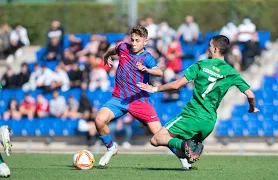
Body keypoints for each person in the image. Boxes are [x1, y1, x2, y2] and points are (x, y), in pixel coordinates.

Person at [137, 35, 260, 164]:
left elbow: (176, 85)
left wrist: (154, 89)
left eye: (210, 46)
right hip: (209, 122)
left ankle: (185, 145)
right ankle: (186, 158)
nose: (208, 48)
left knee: (156, 139)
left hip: (193, 115)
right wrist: (252, 108)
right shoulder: (231, 72)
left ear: (216, 49)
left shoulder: (202, 64)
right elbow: (251, 95)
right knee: (184, 150)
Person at [96, 25, 191, 169]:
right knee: (99, 120)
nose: (134, 43)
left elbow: (159, 72)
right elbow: (112, 50)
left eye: (137, 40)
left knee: (160, 135)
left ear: (145, 42)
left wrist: (146, 69)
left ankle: (183, 158)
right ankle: (111, 148)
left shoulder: (147, 57)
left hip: (139, 101)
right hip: (119, 99)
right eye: (132, 39)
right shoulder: (123, 47)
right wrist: (106, 56)